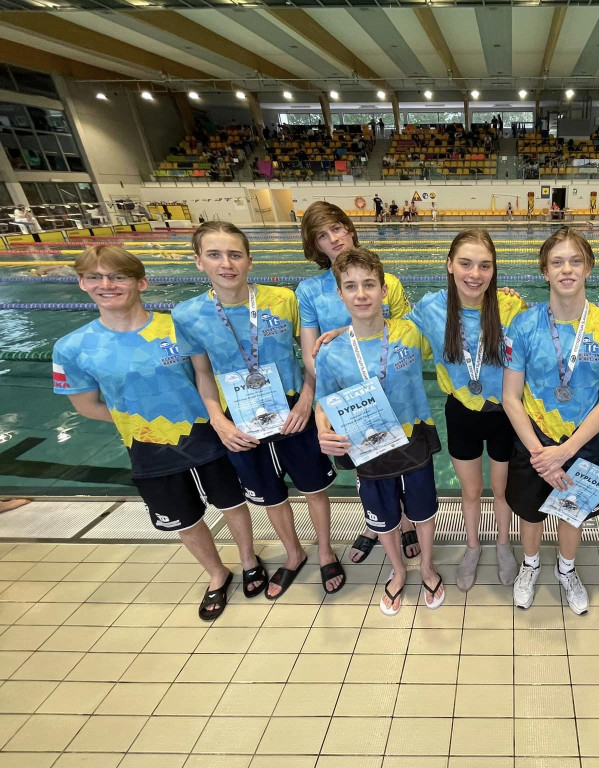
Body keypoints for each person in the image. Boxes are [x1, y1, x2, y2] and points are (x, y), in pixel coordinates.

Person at [54, 245, 262, 619]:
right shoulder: (72, 348)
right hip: (147, 447)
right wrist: (143, 423)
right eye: (95, 277)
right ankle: (217, 574)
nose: (107, 285)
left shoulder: (176, 326)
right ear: (82, 283)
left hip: (208, 436)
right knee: (184, 518)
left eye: (118, 276)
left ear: (141, 282)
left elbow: (205, 377)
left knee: (233, 503)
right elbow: (86, 405)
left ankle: (249, 560)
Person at [173, 222, 344, 599]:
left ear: (249, 260)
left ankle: (326, 549)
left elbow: (311, 354)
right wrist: (218, 420)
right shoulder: (187, 315)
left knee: (313, 488)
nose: (226, 263)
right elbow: (201, 372)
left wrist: (305, 400)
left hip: (292, 407)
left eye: (234, 254)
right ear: (199, 261)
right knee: (270, 494)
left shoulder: (282, 299)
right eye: (214, 255)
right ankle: (294, 552)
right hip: (238, 419)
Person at [503, 227, 599, 614]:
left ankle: (566, 568)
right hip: (533, 441)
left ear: (589, 267)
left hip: (580, 441)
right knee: (529, 512)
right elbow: (511, 397)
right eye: (557, 262)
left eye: (575, 261)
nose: (567, 269)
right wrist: (542, 453)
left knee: (572, 513)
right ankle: (530, 565)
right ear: (545, 271)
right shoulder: (524, 326)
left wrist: (566, 451)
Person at [314, 247, 444, 614]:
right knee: (383, 517)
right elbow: (323, 401)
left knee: (423, 510)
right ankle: (398, 571)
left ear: (384, 289)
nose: (361, 294)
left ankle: (428, 565)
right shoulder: (331, 351)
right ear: (340, 293)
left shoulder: (410, 331)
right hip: (366, 448)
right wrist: (322, 430)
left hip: (412, 438)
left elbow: (455, 316)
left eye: (369, 285)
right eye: (351, 287)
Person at [296, 202, 419, 565]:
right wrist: (333, 392)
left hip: (391, 392)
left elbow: (408, 334)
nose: (333, 239)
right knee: (364, 469)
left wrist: (352, 337)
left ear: (349, 229)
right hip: (347, 397)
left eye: (337, 228)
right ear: (314, 244)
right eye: (322, 235)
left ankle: (407, 518)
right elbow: (310, 353)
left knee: (398, 459)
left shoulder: (388, 283)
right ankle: (375, 523)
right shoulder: (309, 291)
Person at [407, 231, 527, 590]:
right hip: (461, 412)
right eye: (466, 263)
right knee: (471, 491)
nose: (475, 273)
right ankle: (473, 547)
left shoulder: (509, 307)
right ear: (449, 265)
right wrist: (341, 333)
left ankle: (503, 546)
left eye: (484, 265)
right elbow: (391, 335)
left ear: (494, 271)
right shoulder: (431, 308)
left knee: (502, 490)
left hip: (505, 413)